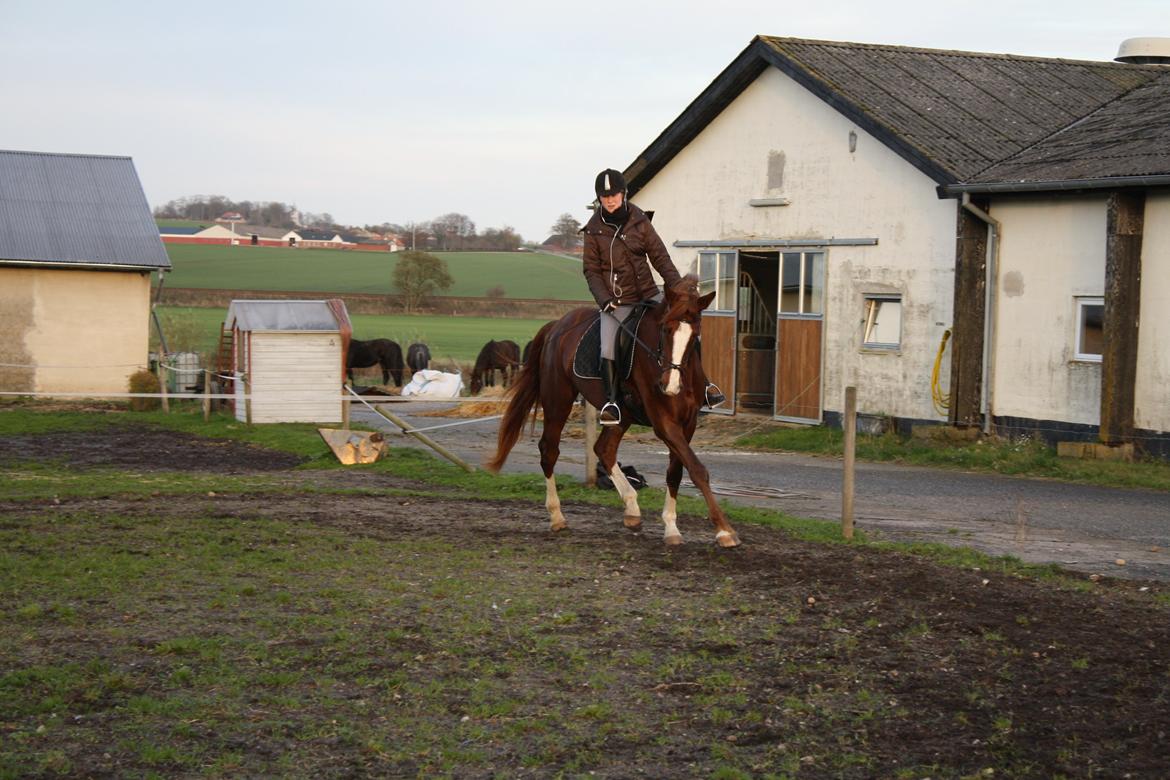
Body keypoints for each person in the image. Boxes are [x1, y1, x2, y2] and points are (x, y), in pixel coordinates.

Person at [582, 168, 724, 425]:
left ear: (623, 194)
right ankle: (612, 403)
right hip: (617, 301)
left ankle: (704, 385)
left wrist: (679, 291)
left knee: (684, 326)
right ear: (599, 199)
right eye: (604, 197)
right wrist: (604, 299)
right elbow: (591, 271)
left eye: (613, 194)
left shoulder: (639, 220)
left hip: (649, 293)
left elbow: (660, 257)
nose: (610, 200)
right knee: (608, 346)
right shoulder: (593, 230)